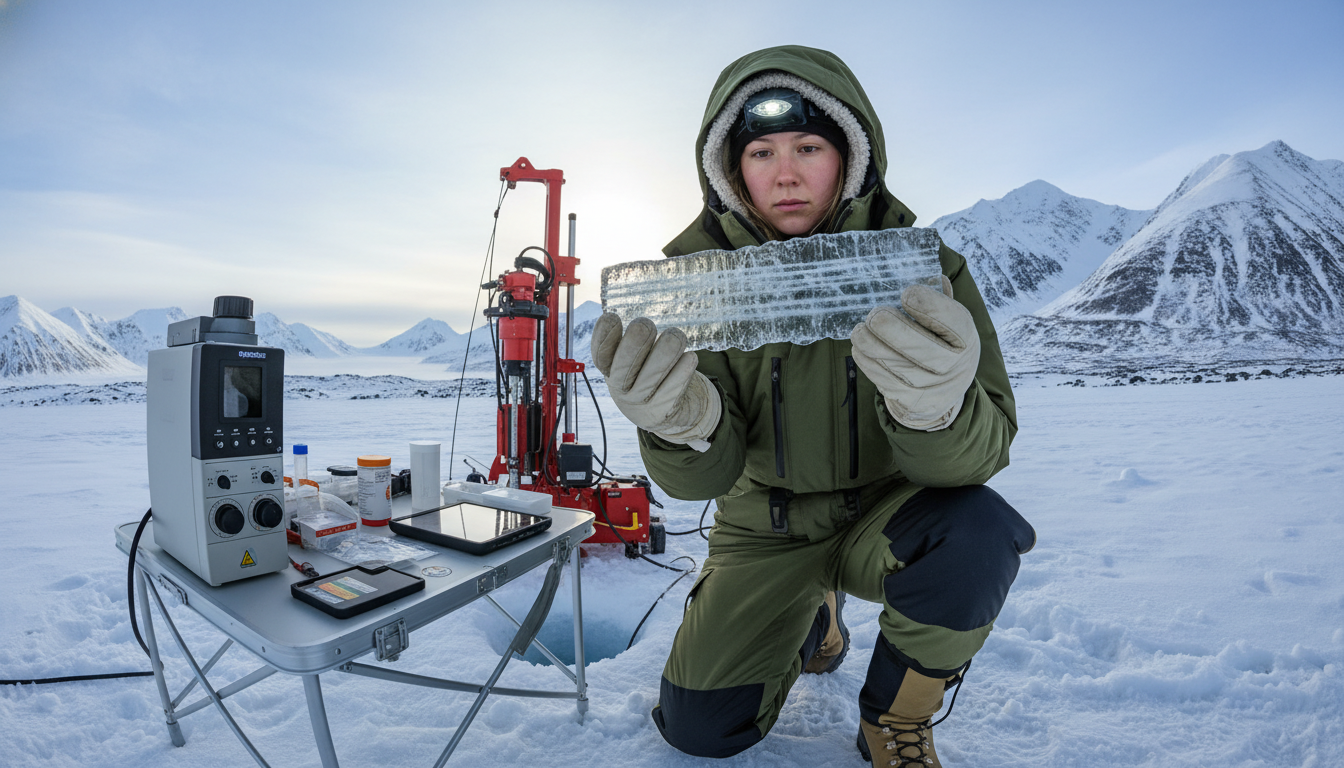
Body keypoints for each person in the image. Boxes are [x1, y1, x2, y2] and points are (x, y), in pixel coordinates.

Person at [590, 45, 1035, 767]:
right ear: (730, 169)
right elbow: (701, 481)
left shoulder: (929, 273)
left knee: (977, 534)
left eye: (808, 147)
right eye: (761, 151)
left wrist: (937, 410)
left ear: (851, 158)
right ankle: (814, 619)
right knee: (701, 728)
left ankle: (895, 719)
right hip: (765, 526)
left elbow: (986, 452)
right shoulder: (693, 292)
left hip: (889, 515)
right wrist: (682, 427)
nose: (786, 173)